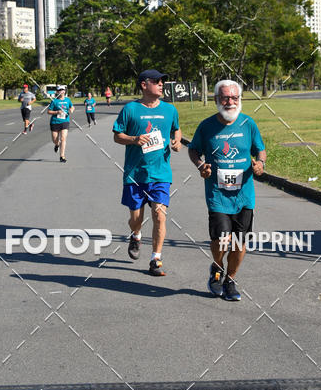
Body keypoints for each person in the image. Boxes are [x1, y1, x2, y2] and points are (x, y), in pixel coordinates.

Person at [188, 80, 266, 302]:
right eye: (225, 97)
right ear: (216, 99)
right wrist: (201, 166)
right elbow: (193, 150)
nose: (230, 101)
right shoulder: (206, 126)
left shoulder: (248, 124)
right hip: (218, 194)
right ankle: (217, 266)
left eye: (234, 97)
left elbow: (260, 150)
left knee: (240, 242)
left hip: (244, 195)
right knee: (222, 239)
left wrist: (260, 164)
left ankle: (230, 279)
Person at [113, 69, 181, 276]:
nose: (161, 84)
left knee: (159, 216)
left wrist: (177, 140)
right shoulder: (130, 109)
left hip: (160, 174)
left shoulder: (170, 110)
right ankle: (135, 234)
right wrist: (134, 139)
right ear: (144, 85)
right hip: (135, 174)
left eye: (162, 82)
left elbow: (176, 129)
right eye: (157, 81)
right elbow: (117, 135)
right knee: (136, 219)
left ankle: (155, 259)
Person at [48, 85, 74, 162]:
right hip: (55, 122)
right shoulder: (54, 101)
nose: (62, 91)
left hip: (65, 121)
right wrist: (57, 112)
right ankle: (57, 144)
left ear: (64, 91)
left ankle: (62, 156)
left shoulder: (67, 100)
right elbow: (49, 111)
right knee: (55, 139)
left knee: (63, 138)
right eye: (60, 90)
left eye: (63, 90)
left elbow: (72, 107)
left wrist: (71, 109)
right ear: (57, 92)